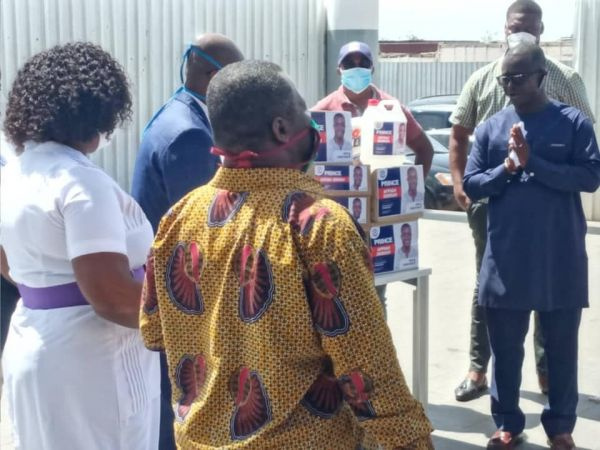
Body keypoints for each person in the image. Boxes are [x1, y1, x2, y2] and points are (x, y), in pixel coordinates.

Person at [140, 60, 433, 449]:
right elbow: (366, 366)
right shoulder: (320, 225)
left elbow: (152, 330)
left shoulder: (177, 218)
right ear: (281, 128)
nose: (311, 123)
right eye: (302, 112)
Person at [0, 42, 160, 450]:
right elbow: (112, 298)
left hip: (35, 341)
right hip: (92, 360)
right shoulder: (81, 183)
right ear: (97, 115)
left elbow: (10, 266)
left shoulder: (14, 174)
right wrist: (193, 321)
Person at [449, 0, 595, 402]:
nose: (521, 32)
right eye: (516, 26)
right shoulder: (484, 78)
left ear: (542, 30)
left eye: (529, 27)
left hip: (551, 219)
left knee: (550, 296)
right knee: (490, 292)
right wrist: (463, 186)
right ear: (504, 28)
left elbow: (586, 156)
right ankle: (479, 370)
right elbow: (460, 134)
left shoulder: (567, 81)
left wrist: (536, 162)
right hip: (495, 212)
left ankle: (548, 380)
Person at [131, 33, 243, 449]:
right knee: (178, 412)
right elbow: (204, 231)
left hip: (169, 287)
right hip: (182, 294)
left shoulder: (180, 114)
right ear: (214, 77)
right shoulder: (190, 134)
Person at [313, 40, 433, 313]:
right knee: (333, 296)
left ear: (372, 68)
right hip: (336, 221)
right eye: (349, 64)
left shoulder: (391, 107)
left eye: (363, 64)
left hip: (378, 221)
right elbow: (306, 157)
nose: (356, 69)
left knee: (375, 297)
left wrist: (406, 195)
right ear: (338, 69)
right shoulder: (325, 109)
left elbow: (424, 149)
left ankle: (375, 355)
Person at [131, 33, 244, 231]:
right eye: (238, 78)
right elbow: (204, 222)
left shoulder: (180, 108)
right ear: (215, 77)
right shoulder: (190, 136)